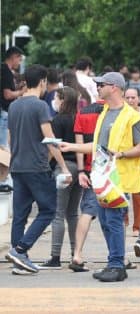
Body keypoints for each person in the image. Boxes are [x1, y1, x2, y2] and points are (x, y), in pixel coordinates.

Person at [60, 72, 140, 282]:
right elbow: (98, 146)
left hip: (119, 178)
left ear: (114, 87)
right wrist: (71, 146)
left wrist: (122, 154)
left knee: (114, 220)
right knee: (106, 221)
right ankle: (114, 263)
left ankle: (117, 265)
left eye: (101, 84)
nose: (97, 87)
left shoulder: (132, 116)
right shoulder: (105, 112)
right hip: (103, 176)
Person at [5, 65, 72, 275]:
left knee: (20, 215)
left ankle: (19, 261)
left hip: (17, 166)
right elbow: (50, 140)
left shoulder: (15, 106)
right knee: (49, 209)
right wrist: (63, 167)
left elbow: (9, 138)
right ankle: (21, 250)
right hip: (36, 167)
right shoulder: (40, 106)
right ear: (43, 81)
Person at [37, 86, 83, 270]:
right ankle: (75, 253)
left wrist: (50, 167)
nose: (54, 101)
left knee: (58, 214)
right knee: (72, 214)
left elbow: (53, 147)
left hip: (63, 168)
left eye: (56, 97)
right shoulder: (78, 119)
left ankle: (55, 257)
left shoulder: (57, 120)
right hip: (79, 169)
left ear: (62, 100)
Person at [69, 97, 105, 272]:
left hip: (90, 169)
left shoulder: (82, 113)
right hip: (112, 170)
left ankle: (77, 253)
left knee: (87, 212)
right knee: (117, 213)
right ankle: (119, 255)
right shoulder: (115, 112)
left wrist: (82, 171)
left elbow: (79, 145)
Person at [125, 88, 140, 237]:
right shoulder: (120, 112)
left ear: (138, 98)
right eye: (127, 97)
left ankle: (137, 226)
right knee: (123, 191)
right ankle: (123, 220)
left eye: (133, 97)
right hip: (124, 155)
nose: (130, 100)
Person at [0, 46, 25, 149]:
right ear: (14, 57)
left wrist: (17, 88)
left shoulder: (3, 69)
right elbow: (7, 94)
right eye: (19, 60)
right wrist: (22, 91)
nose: (19, 63)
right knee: (4, 147)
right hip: (5, 112)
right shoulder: (6, 71)